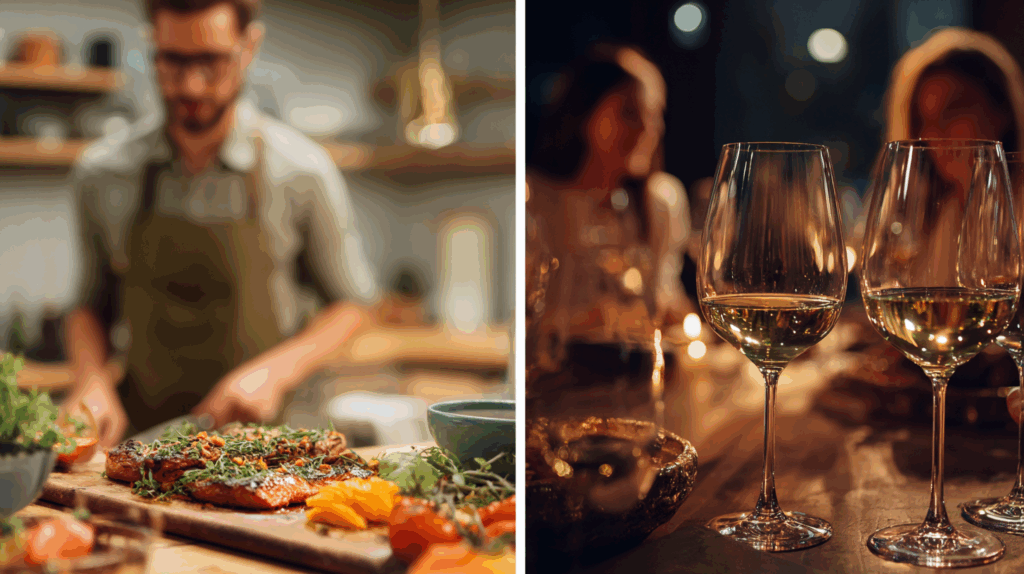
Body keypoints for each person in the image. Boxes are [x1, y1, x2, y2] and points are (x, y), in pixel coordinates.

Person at [65, 0, 381, 447]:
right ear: (152, 46)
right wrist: (90, 383)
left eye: (211, 62)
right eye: (173, 61)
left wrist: (275, 372)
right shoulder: (102, 173)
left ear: (248, 46)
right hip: (144, 444)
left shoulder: (302, 170)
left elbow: (353, 305)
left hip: (270, 447)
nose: (191, 85)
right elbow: (87, 306)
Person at [878, 27, 1024, 424]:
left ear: (1001, 111)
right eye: (925, 120)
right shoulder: (940, 219)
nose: (935, 135)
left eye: (954, 111)